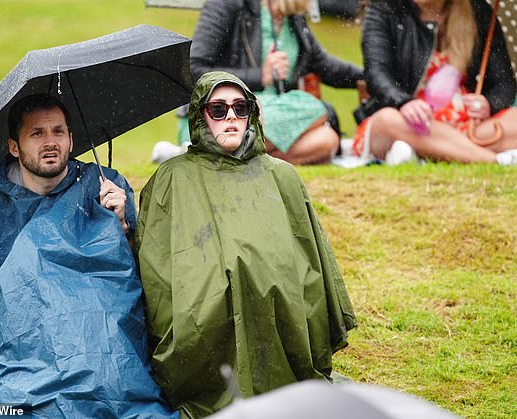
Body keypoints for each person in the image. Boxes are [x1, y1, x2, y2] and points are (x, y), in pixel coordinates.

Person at [0, 94, 177, 418]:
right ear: (13, 146)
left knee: (106, 377)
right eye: (37, 134)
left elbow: (135, 279)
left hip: (96, 328)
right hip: (19, 331)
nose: (50, 142)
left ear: (71, 138)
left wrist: (122, 225)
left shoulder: (103, 187)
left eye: (58, 132)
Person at [136, 72, 356, 418]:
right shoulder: (172, 179)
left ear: (253, 113)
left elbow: (312, 260)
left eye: (241, 108)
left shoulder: (282, 176)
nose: (231, 118)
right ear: (199, 115)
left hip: (281, 321)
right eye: (218, 110)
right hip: (201, 335)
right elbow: (157, 271)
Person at [189, 0, 363, 165]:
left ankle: (229, 159)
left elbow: (325, 65)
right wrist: (259, 76)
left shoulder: (292, 15)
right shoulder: (229, 4)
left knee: (326, 139)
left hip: (278, 114)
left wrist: (371, 77)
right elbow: (194, 68)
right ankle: (216, 148)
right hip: (227, 113)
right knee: (314, 107)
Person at [353, 0, 517, 165]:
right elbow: (376, 74)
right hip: (408, 122)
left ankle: (428, 152)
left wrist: (490, 104)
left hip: (466, 125)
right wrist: (404, 102)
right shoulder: (385, 8)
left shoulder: (478, 11)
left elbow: (504, 83)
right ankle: (493, 160)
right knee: (388, 120)